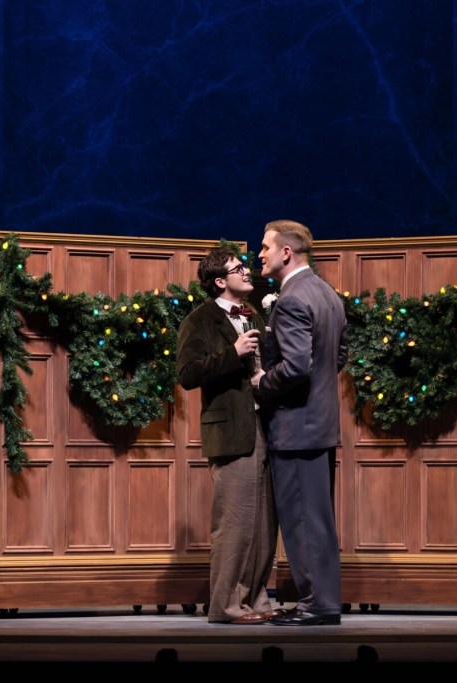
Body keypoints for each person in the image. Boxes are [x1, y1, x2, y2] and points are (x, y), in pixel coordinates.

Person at [176, 247, 280, 624]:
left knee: (264, 524)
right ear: (220, 281)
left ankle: (256, 600)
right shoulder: (200, 320)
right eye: (238, 269)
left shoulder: (258, 313)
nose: (247, 272)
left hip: (265, 426)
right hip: (230, 429)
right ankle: (224, 605)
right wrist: (233, 353)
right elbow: (187, 374)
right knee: (234, 522)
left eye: (245, 266)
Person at [252, 219, 347, 626]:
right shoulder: (327, 293)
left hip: (296, 428)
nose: (259, 254)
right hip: (320, 424)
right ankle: (320, 600)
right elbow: (338, 356)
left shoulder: (291, 299)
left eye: (265, 247)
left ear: (286, 253)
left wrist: (261, 383)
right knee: (317, 520)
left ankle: (318, 605)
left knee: (303, 522)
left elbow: (295, 367)